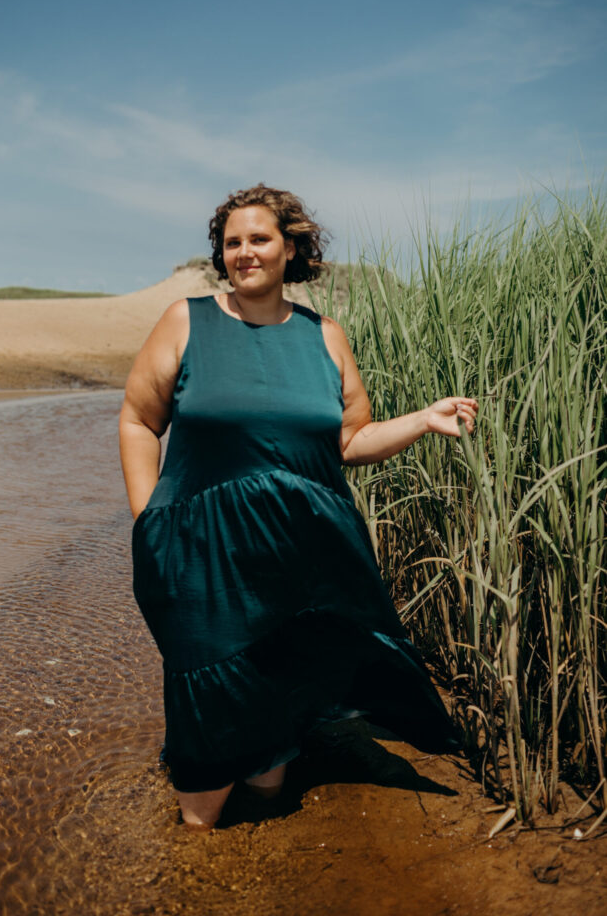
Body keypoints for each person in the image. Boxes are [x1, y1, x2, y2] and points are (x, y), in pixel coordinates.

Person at [119, 183, 477, 831]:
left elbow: (350, 441)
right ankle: (195, 849)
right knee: (207, 693)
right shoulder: (185, 321)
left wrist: (424, 420)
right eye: (232, 243)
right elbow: (139, 422)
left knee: (277, 696)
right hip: (200, 553)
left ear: (290, 248)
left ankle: (266, 824)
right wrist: (149, 520)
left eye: (259, 239)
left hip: (300, 556)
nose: (244, 253)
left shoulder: (325, 337)